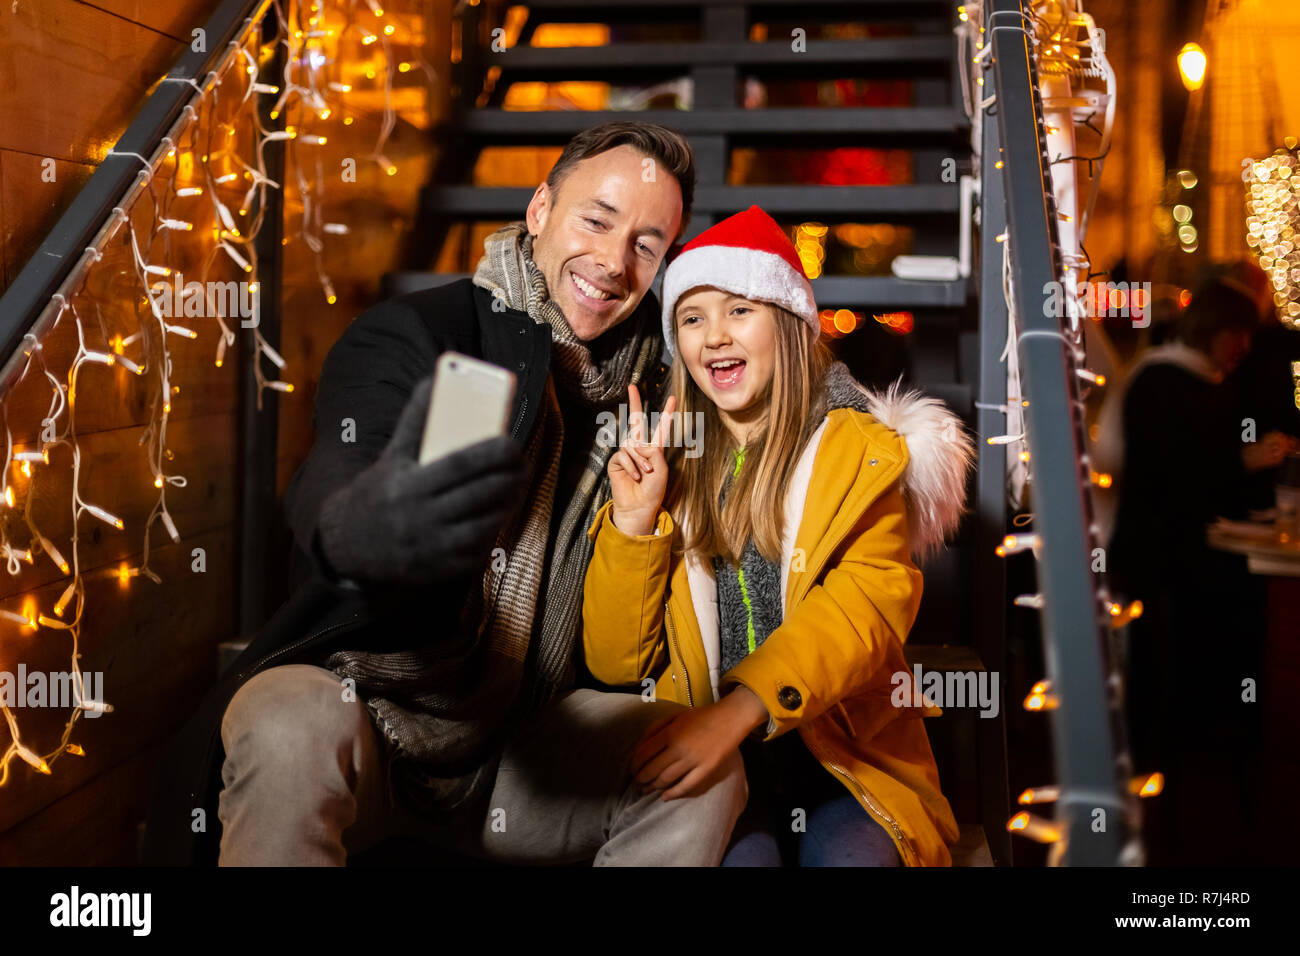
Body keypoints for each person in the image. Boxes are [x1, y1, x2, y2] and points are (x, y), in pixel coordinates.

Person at [143, 122, 750, 866]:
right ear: (539, 211)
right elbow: (338, 472)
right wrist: (375, 524)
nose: (615, 261)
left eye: (647, 245)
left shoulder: (656, 376)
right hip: (367, 720)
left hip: (524, 749)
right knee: (283, 718)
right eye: (597, 219)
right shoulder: (423, 334)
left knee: (703, 764)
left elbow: (780, 369)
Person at [581, 206, 973, 866]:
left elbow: (862, 612)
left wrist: (735, 713)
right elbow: (615, 661)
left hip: (846, 759)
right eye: (692, 318)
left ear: (788, 324)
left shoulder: (859, 451)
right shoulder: (670, 462)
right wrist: (633, 522)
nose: (713, 337)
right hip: (716, 766)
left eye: (739, 311)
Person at [1103, 275, 1299, 864]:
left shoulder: (1190, 381)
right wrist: (1241, 460)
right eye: (1237, 333)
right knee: (1159, 677)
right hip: (1158, 563)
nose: (1243, 347)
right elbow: (1171, 471)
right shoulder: (1164, 382)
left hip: (1172, 555)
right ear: (1214, 330)